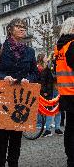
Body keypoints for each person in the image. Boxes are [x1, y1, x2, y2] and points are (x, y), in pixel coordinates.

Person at [0, 18, 38, 167]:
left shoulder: (30, 51)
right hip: (4, 94)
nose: (22, 29)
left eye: (24, 27)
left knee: (17, 133)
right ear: (10, 29)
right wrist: (3, 77)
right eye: (18, 26)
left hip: (21, 97)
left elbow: (35, 73)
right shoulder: (0, 47)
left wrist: (28, 79)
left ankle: (13, 163)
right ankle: (1, 163)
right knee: (2, 133)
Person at [54, 17, 74, 167]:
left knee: (70, 127)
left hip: (65, 92)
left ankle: (70, 157)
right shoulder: (72, 45)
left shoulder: (59, 47)